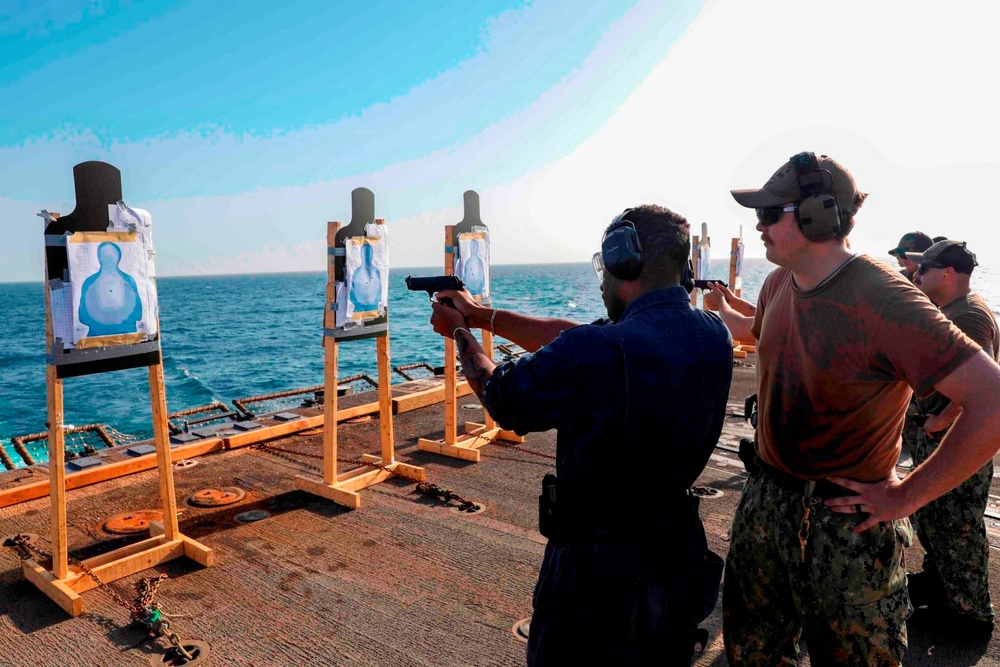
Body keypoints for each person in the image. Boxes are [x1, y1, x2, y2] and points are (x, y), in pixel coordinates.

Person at [720, 151, 1000, 666]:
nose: (758, 225)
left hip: (846, 526)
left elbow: (993, 402)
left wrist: (905, 497)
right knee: (753, 652)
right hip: (767, 507)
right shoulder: (778, 283)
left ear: (816, 216)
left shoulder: (885, 298)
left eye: (769, 213)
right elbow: (763, 341)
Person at [427, 204, 734, 666]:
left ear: (621, 261)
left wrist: (458, 334)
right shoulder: (714, 335)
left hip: (597, 574)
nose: (602, 281)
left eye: (604, 268)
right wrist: (480, 316)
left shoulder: (597, 353)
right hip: (674, 554)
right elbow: (577, 339)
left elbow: (502, 395)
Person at [905, 240, 999, 635]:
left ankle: (971, 614)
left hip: (952, 437)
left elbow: (986, 385)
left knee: (958, 526)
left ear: (948, 273)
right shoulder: (951, 310)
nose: (916, 275)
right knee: (935, 521)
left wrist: (941, 419)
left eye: (923, 270)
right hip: (937, 434)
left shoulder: (970, 315)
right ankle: (942, 587)